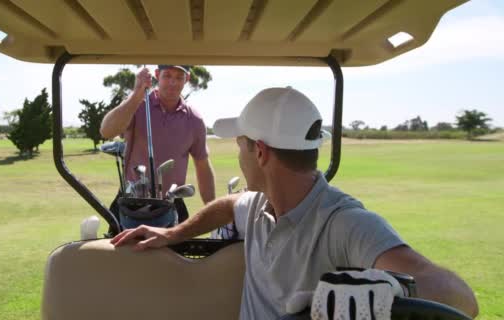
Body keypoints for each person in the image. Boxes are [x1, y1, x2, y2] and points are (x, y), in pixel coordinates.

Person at [110, 87, 479, 319]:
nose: (238, 156)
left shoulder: (343, 221)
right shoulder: (257, 204)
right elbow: (226, 205)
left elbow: (461, 298)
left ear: (259, 151)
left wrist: (393, 288)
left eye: (239, 145)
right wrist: (172, 232)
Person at [100, 65, 216, 223]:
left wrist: (212, 210)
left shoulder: (194, 120)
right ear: (157, 75)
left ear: (187, 79)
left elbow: (202, 165)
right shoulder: (137, 105)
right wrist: (136, 95)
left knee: (180, 248)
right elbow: (106, 131)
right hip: (131, 202)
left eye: (179, 77)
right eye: (167, 75)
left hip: (172, 202)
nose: (173, 82)